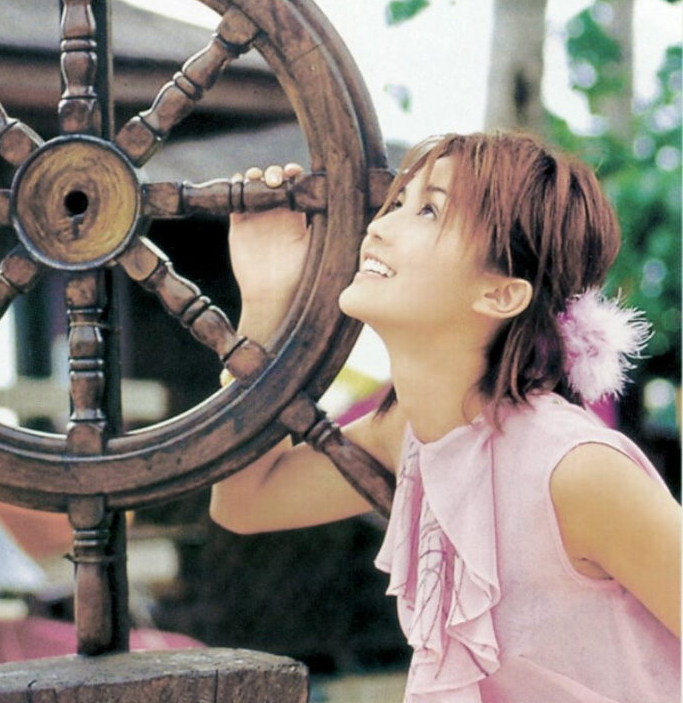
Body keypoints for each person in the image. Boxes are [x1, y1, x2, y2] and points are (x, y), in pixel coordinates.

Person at [210, 132, 681, 703]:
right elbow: (244, 501)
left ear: (501, 295)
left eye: (429, 210)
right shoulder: (408, 434)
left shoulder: (576, 471)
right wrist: (266, 303)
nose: (379, 227)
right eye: (398, 202)